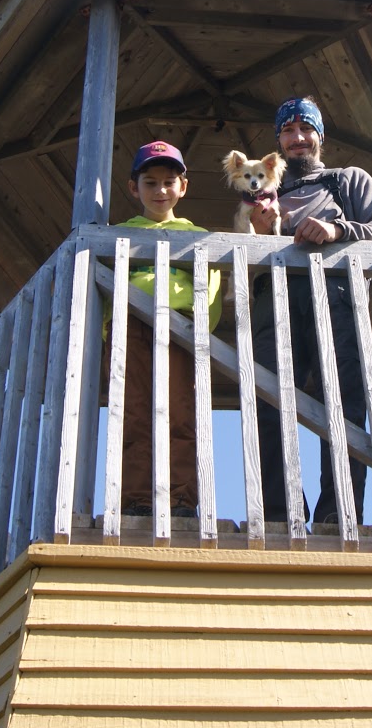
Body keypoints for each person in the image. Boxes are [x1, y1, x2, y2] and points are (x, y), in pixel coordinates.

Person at [248, 97, 372, 525]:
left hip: (335, 299)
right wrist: (259, 232)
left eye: (305, 129)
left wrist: (336, 229)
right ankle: (280, 514)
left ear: (320, 136)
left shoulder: (348, 180)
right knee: (269, 402)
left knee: (344, 400)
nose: (297, 138)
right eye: (288, 131)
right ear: (278, 140)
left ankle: (339, 513)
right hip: (272, 302)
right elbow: (242, 259)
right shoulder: (261, 192)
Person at [106, 140, 221, 518]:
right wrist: (108, 328)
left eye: (169, 182)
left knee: (181, 414)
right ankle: (137, 498)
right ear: (133, 188)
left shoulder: (196, 234)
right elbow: (102, 284)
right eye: (150, 182)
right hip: (130, 330)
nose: (160, 190)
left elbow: (212, 286)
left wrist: (199, 328)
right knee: (134, 413)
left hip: (180, 332)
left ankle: (180, 499)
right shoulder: (120, 233)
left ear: (183, 187)